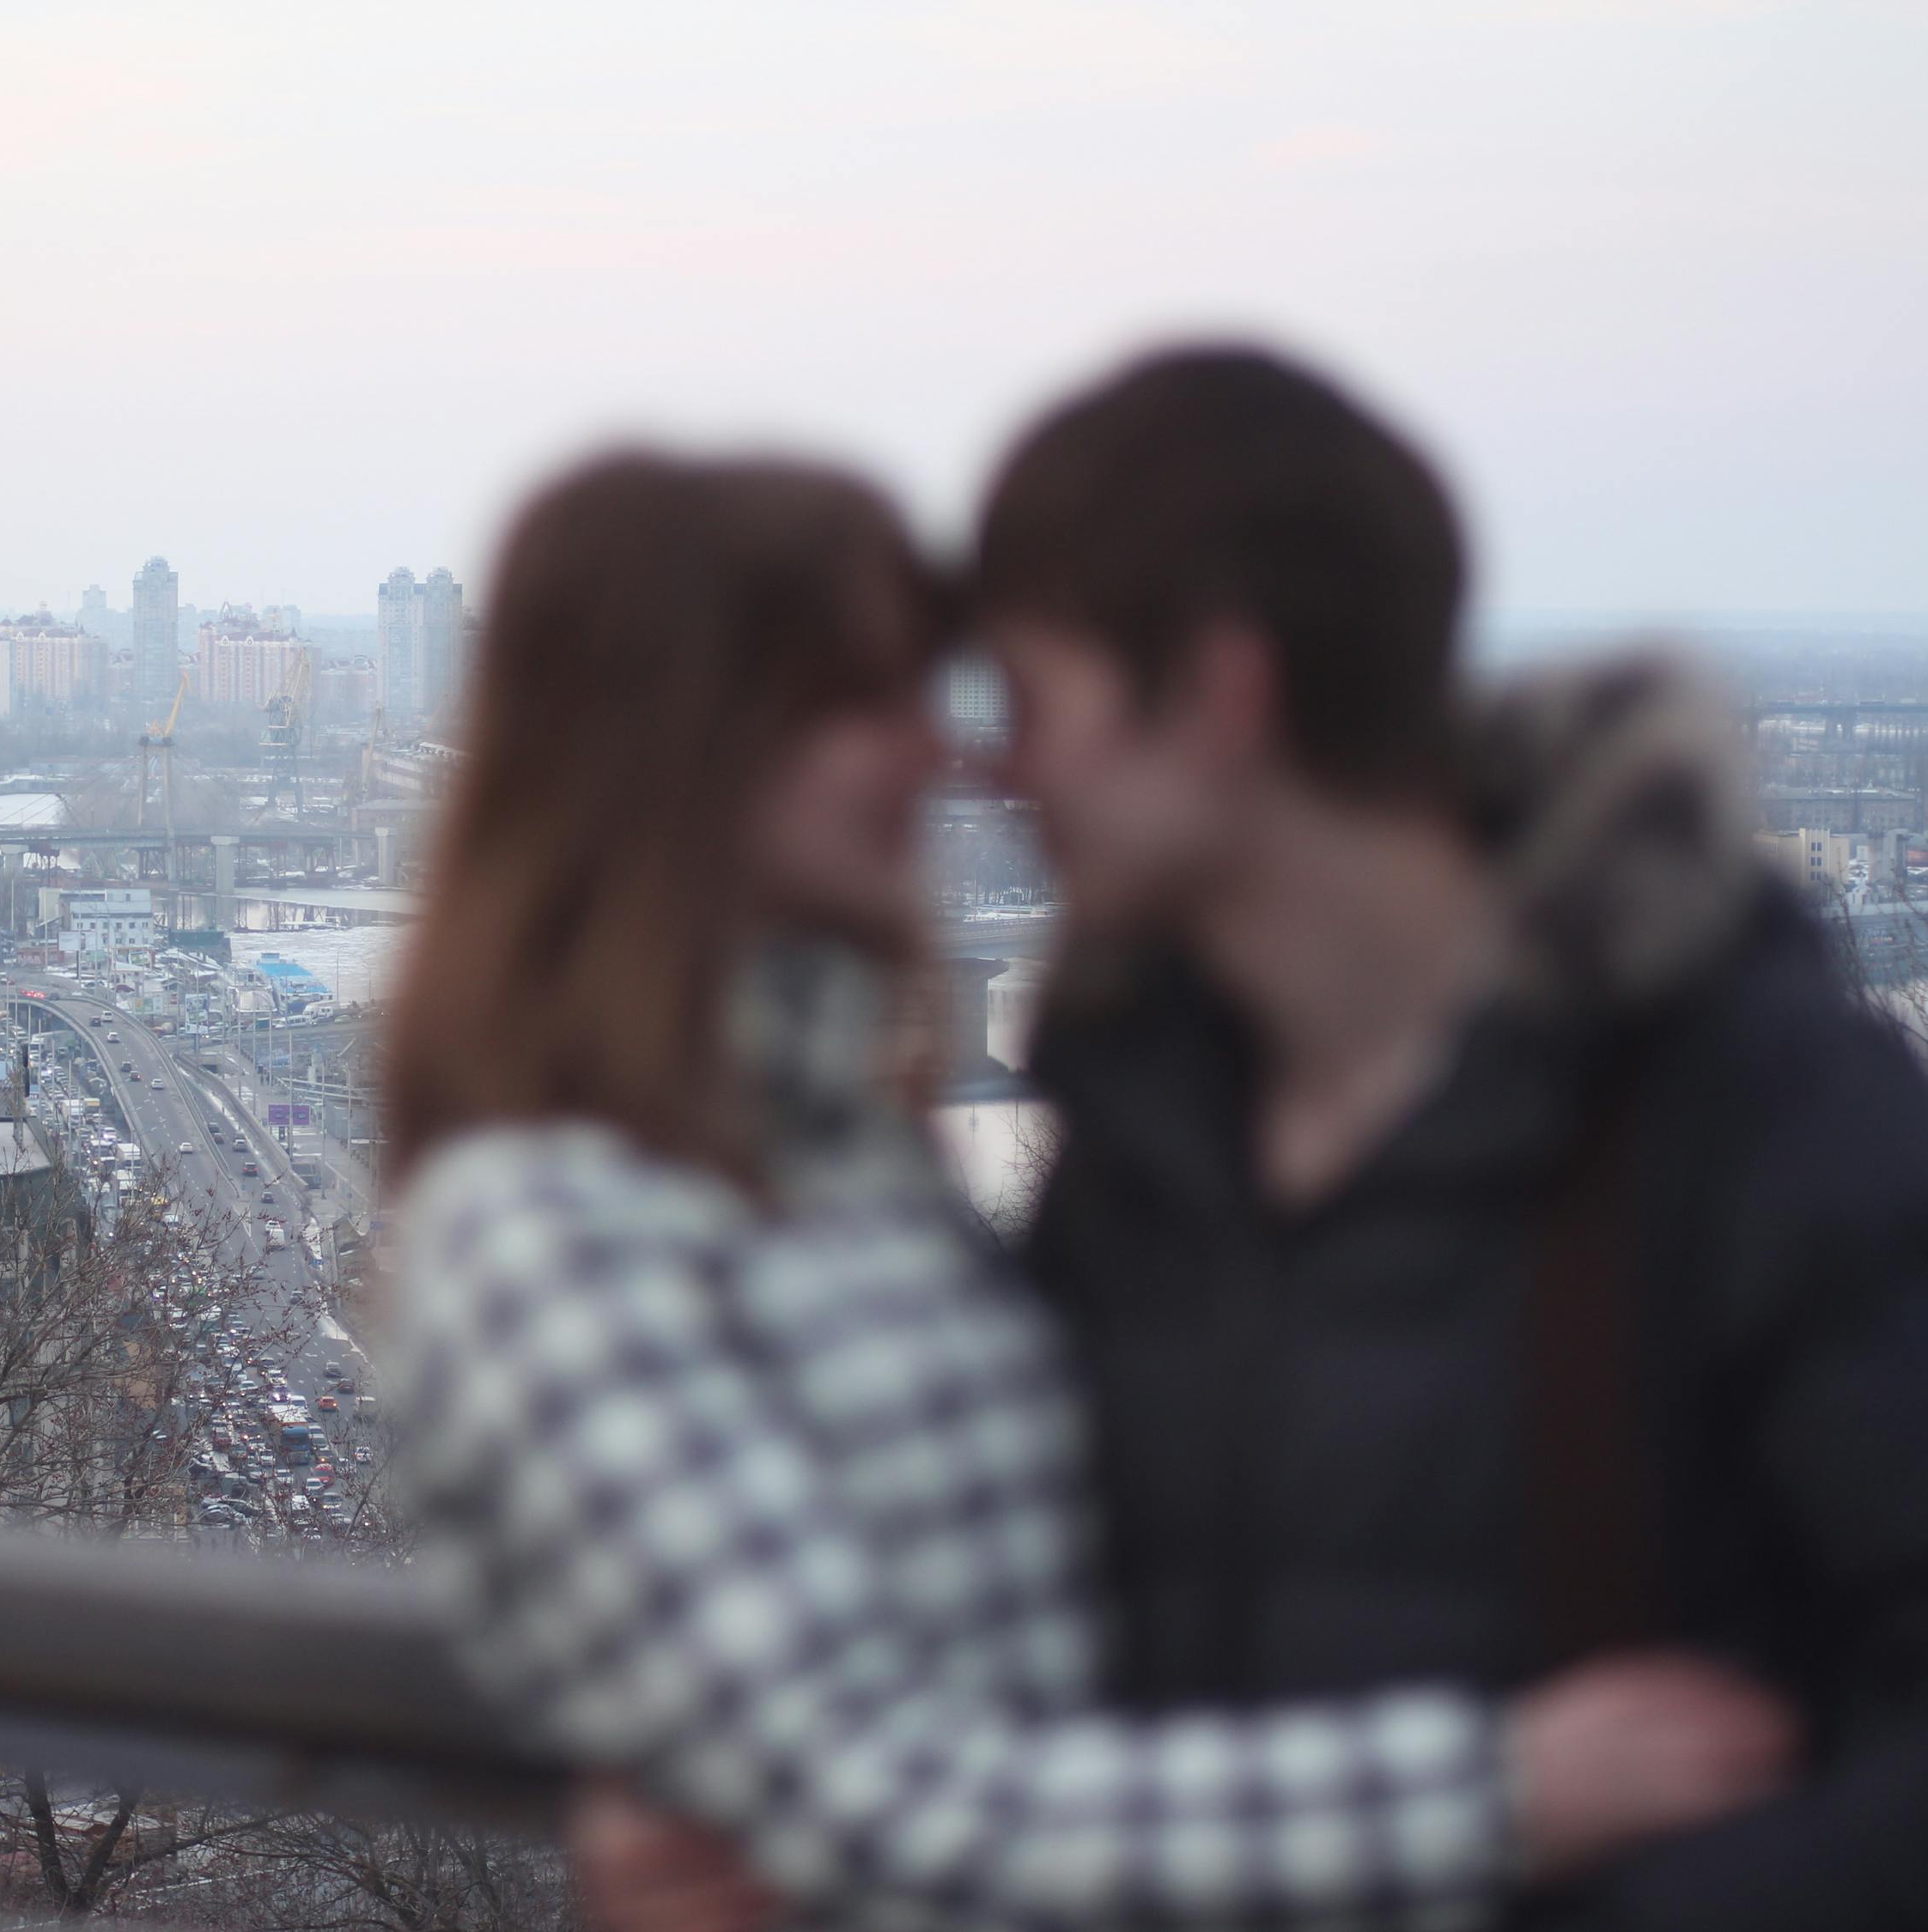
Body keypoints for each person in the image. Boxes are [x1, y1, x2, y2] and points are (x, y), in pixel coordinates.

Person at [386, 451, 1791, 1932]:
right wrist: (1504, 1790)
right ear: (672, 744)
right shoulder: (540, 1234)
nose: (943, 754)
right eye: (863, 700)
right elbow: (883, 1798)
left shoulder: (849, 1153)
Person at [972, 346, 1928, 1928]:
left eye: (1028, 702)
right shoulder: (1137, 1146)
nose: (996, 770)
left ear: (1220, 693)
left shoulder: (1744, 1108)